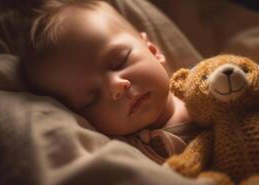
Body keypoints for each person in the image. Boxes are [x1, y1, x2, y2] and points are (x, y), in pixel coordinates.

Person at [22, 0, 194, 163]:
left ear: (152, 51)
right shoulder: (125, 154)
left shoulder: (205, 87)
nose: (116, 87)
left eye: (120, 61)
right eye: (93, 98)